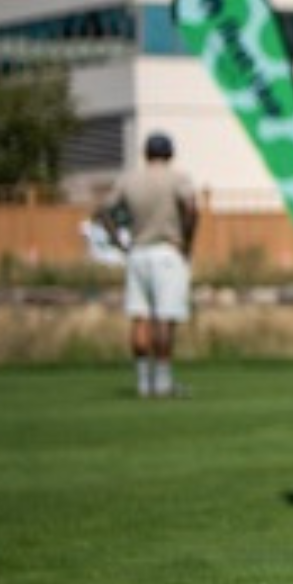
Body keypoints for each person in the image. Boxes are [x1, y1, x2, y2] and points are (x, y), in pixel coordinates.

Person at [95, 130, 200, 398]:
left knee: (139, 317)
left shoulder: (129, 179)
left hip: (138, 252)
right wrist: (186, 243)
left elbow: (104, 211)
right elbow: (191, 208)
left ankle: (143, 382)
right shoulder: (177, 178)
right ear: (170, 154)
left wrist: (118, 242)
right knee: (165, 317)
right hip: (167, 250)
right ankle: (163, 383)